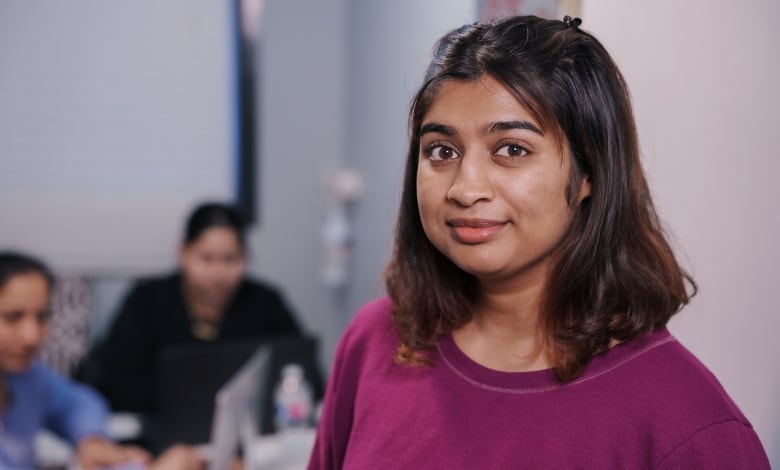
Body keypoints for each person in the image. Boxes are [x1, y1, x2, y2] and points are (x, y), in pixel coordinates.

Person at [308, 15, 770, 469]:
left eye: (512, 149)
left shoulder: (691, 428)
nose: (465, 189)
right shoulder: (374, 342)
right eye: (442, 151)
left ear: (589, 172)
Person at [82, 202, 320, 417]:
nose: (218, 273)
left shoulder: (266, 302)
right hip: (160, 434)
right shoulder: (147, 301)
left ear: (245, 258)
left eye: (230, 259)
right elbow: (111, 381)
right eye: (206, 259)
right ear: (182, 252)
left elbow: (308, 377)